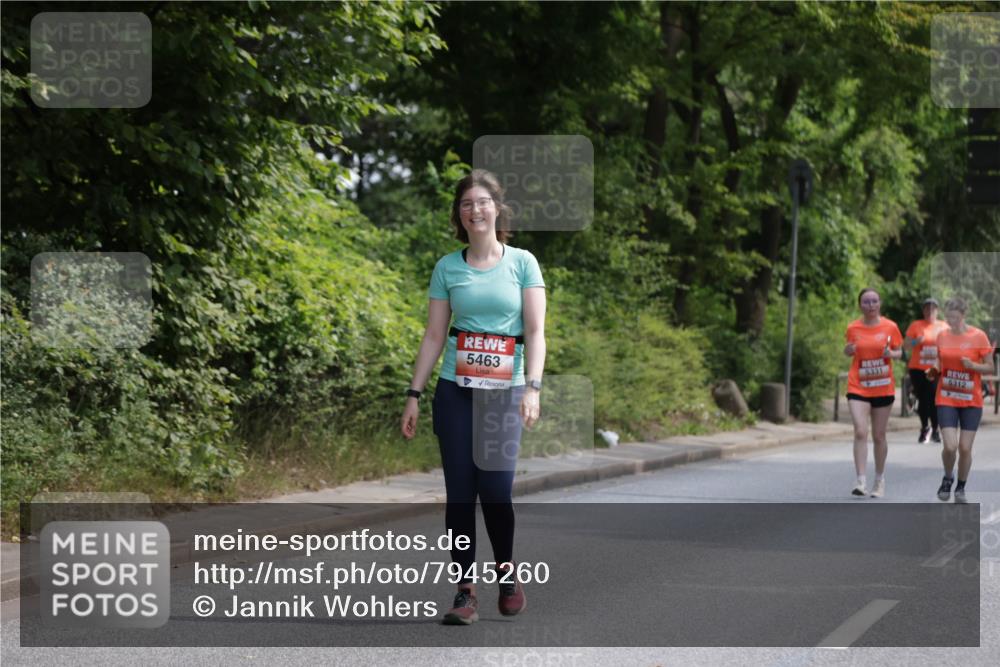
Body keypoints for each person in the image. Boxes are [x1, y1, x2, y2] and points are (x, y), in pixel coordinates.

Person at [400, 169, 546, 625]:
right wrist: (414, 394)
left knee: (496, 492)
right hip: (455, 392)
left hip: (505, 392)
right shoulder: (448, 267)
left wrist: (533, 388)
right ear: (458, 215)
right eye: (466, 204)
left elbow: (537, 333)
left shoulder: (522, 262)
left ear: (497, 209)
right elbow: (433, 335)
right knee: (460, 495)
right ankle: (465, 591)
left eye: (482, 202)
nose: (475, 210)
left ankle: (506, 572)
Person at [930, 297, 994, 503]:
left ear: (964, 316)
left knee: (965, 448)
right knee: (950, 446)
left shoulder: (979, 336)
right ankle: (947, 478)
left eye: (955, 318)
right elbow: (938, 361)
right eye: (948, 317)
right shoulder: (941, 335)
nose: (951, 322)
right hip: (946, 397)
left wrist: (973, 366)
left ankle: (961, 487)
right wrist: (933, 370)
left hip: (971, 400)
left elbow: (991, 367)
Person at [843, 288, 903, 498]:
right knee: (860, 430)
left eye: (874, 301)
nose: (870, 305)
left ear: (880, 304)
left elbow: (900, 352)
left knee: (879, 435)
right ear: (860, 305)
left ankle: (879, 480)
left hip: (882, 385)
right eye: (866, 302)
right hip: (858, 385)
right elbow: (848, 349)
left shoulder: (890, 327)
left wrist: (891, 354)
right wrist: (847, 351)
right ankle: (861, 480)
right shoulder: (853, 327)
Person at [904, 298, 947, 443]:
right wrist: (917, 341)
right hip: (918, 368)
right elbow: (906, 346)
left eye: (933, 309)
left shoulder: (943, 326)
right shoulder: (916, 325)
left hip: (936, 368)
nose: (930, 311)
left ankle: (935, 429)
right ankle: (925, 428)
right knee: (923, 399)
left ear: (937, 311)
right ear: (923, 311)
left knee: (935, 398)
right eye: (927, 309)